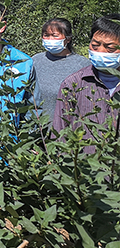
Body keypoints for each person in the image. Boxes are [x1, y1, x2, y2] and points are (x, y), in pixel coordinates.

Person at [53, 14, 120, 153]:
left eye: (110, 48)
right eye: (95, 45)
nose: (101, 52)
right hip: (85, 165)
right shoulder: (73, 84)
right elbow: (60, 135)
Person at [32, 18, 90, 122]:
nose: (50, 39)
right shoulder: (35, 61)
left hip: (68, 126)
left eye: (55, 35)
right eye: (46, 35)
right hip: (37, 127)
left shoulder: (82, 65)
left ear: (68, 39)